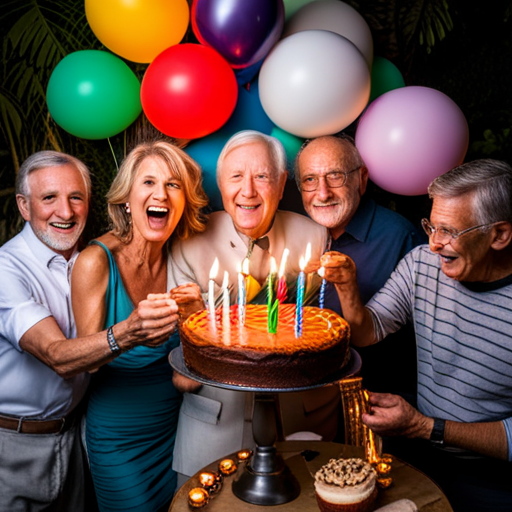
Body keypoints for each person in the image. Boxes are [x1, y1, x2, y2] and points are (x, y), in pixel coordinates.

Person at [320, 159, 512, 512]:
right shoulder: (422, 263)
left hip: (494, 481)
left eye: (450, 231)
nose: (435, 244)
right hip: (419, 460)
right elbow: (369, 330)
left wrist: (426, 426)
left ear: (499, 235)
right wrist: (348, 287)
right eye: (431, 226)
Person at [0, 151, 179, 512]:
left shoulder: (86, 256)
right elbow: (57, 356)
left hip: (73, 434)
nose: (65, 213)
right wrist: (128, 332)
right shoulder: (7, 270)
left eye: (75, 198)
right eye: (49, 198)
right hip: (14, 442)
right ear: (24, 205)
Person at [169, 130, 328, 483]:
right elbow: (178, 346)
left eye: (262, 176)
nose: (248, 191)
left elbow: (317, 322)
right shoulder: (188, 240)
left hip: (296, 422)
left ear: (283, 182)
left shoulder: (315, 236)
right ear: (221, 185)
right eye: (236, 177)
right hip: (213, 424)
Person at [71, 141, 207, 512]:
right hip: (119, 439)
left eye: (173, 185)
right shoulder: (95, 261)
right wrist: (129, 331)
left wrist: (197, 314)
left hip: (177, 430)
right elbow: (87, 362)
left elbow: (194, 362)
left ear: (183, 202)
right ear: (126, 200)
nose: (160, 194)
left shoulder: (182, 256)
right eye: (147, 182)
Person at [295, 134, 422, 399]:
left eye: (335, 176)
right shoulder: (297, 235)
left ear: (361, 179)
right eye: (310, 180)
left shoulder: (400, 237)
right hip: (306, 399)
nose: (323, 192)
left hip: (378, 400)